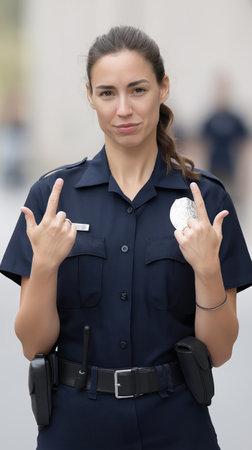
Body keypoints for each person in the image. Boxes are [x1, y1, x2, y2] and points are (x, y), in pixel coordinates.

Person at [1, 26, 252, 450]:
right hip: (76, 425)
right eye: (106, 93)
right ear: (89, 95)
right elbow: (32, 343)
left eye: (138, 89)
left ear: (163, 88)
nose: (123, 109)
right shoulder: (52, 198)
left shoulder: (206, 199)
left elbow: (221, 349)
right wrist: (44, 267)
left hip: (176, 423)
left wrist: (208, 269)